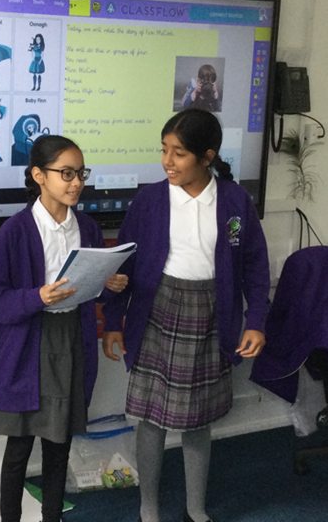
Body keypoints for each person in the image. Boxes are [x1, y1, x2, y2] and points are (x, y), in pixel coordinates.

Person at [102, 109, 270, 522]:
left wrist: (256, 320)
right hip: (157, 309)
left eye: (178, 153)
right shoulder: (150, 200)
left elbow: (253, 263)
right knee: (151, 417)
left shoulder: (234, 202)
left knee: (198, 417)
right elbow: (123, 264)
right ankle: (149, 508)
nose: (167, 161)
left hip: (212, 313)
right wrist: (113, 321)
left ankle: (196, 509)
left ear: (207, 156)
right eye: (164, 150)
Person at [0, 135, 128, 522]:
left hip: (71, 338)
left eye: (81, 173)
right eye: (66, 173)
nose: (76, 182)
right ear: (39, 176)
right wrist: (37, 297)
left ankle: (51, 517)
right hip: (26, 345)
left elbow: (86, 285)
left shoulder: (87, 227)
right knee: (19, 447)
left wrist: (108, 284)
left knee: (59, 443)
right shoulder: (16, 230)